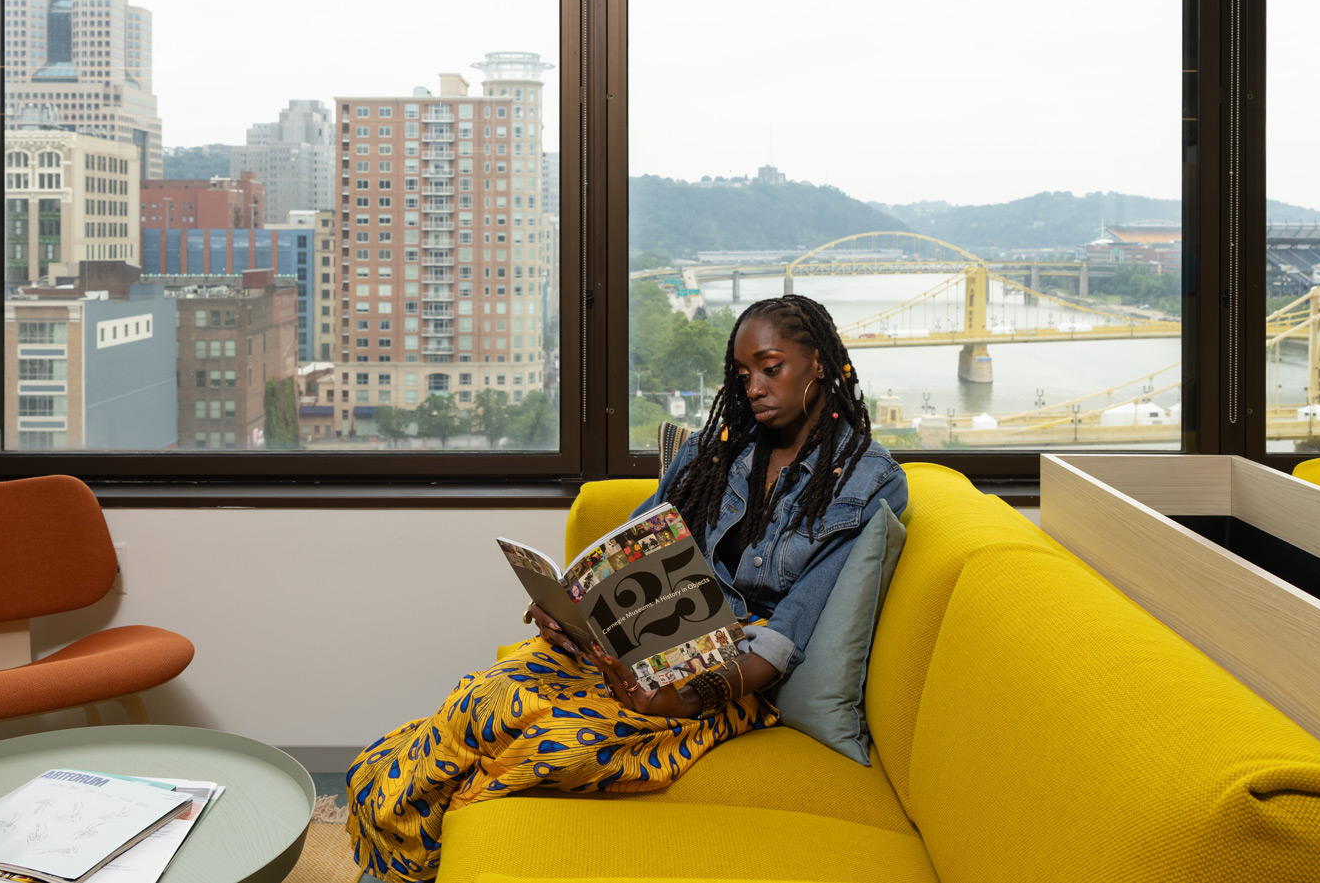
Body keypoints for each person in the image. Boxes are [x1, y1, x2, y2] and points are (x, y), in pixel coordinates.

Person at [345, 294, 908, 882]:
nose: (755, 389)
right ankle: (391, 849)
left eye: (772, 368)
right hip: (642, 637)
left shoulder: (870, 483)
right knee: (483, 703)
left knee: (547, 746)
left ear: (818, 362)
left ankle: (426, 859)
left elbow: (790, 628)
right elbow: (630, 545)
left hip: (726, 669)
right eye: (743, 376)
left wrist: (684, 700)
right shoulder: (714, 452)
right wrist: (566, 604)